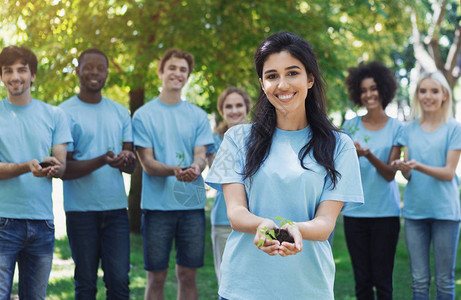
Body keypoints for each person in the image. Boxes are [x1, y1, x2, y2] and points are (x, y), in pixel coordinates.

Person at [206, 32, 364, 299]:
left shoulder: (340, 146)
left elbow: (325, 223)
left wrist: (296, 230)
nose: (282, 84)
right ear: (262, 83)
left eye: (292, 73)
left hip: (308, 288)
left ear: (310, 78)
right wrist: (264, 225)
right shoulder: (237, 138)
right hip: (243, 289)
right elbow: (235, 213)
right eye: (271, 76)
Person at [132, 48, 214, 300]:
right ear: (161, 72)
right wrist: (174, 170)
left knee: (188, 275)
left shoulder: (198, 116)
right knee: (156, 277)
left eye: (183, 70)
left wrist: (196, 167)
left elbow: (201, 154)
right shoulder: (143, 115)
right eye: (172, 68)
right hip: (157, 208)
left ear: (187, 76)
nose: (177, 74)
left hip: (192, 206)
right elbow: (147, 162)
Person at [59, 48, 136, 299]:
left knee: (119, 283)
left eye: (99, 68)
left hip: (115, 211)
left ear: (106, 73)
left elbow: (131, 164)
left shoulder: (120, 112)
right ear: (77, 71)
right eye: (88, 67)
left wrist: (125, 160)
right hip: (80, 212)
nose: (94, 72)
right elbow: (64, 170)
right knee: (85, 283)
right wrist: (103, 159)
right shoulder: (62, 113)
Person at [0, 46, 72, 299]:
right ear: (1, 76)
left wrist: (52, 166)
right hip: (2, 222)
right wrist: (25, 166)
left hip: (42, 223)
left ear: (33, 76)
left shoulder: (55, 115)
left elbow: (61, 166)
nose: (15, 76)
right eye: (8, 71)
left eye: (22, 69)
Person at [392, 71, 461, 300]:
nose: (427, 96)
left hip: (445, 214)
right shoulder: (408, 129)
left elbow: (449, 173)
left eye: (434, 91)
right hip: (415, 213)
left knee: (445, 281)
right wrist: (405, 169)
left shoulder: (454, 128)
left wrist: (418, 166)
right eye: (423, 91)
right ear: (417, 95)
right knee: (419, 282)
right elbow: (411, 175)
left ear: (444, 95)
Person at [342, 61, 402, 300]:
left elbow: (389, 174)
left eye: (373, 88)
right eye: (364, 90)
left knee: (383, 281)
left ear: (384, 90)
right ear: (358, 93)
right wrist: (351, 157)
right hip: (355, 215)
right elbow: (340, 171)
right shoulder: (350, 127)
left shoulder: (397, 127)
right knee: (362, 282)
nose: (369, 94)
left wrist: (368, 155)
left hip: (386, 215)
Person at [206, 87, 251, 285]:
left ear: (246, 108)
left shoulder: (261, 138)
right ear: (222, 110)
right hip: (224, 219)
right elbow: (220, 175)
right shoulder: (214, 140)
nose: (234, 111)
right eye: (228, 106)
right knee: (227, 281)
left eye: (239, 105)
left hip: (256, 218)